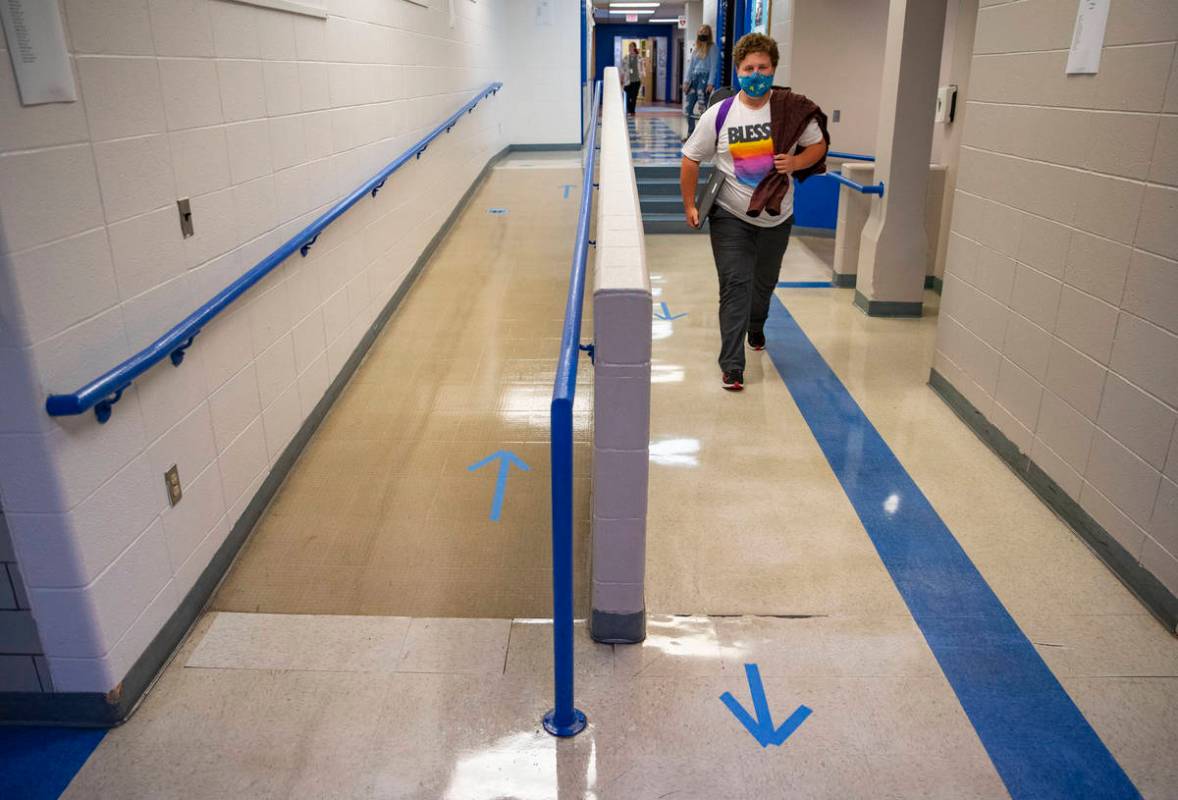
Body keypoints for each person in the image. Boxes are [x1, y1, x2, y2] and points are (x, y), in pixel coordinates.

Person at [679, 33, 829, 391]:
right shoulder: (721, 114)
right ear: (738, 70)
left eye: (763, 67)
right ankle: (732, 365)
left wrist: (794, 161)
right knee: (735, 284)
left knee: (763, 285)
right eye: (748, 68)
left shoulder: (791, 109)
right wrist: (689, 203)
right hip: (731, 214)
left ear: (773, 69)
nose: (756, 74)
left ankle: (756, 324)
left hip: (777, 216)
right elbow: (691, 157)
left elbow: (818, 146)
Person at [682, 25, 719, 138]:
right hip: (694, 79)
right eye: (701, 31)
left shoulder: (713, 48)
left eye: (705, 31)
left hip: (704, 79)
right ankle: (691, 133)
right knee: (688, 108)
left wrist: (711, 82)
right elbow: (691, 66)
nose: (703, 33)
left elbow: (714, 66)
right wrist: (686, 81)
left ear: (709, 34)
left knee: (702, 109)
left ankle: (703, 136)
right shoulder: (696, 48)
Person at [620, 42, 643, 116]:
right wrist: (622, 78)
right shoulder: (626, 58)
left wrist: (642, 75)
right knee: (627, 96)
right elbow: (622, 69)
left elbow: (642, 68)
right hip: (628, 81)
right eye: (629, 47)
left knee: (633, 96)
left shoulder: (639, 58)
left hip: (636, 80)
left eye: (631, 47)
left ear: (634, 48)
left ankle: (632, 111)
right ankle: (628, 109)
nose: (630, 48)